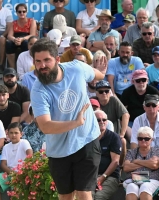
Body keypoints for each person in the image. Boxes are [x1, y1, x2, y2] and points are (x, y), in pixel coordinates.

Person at [30, 38, 106, 199]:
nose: (42, 65)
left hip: (86, 140)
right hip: (58, 150)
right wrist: (75, 123)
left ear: (57, 59)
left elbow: (97, 74)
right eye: (38, 61)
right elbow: (45, 126)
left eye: (46, 60)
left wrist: (100, 72)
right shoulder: (38, 89)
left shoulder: (77, 68)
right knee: (66, 196)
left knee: (84, 193)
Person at [0, 122, 33, 200]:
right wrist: (13, 174)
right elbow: (3, 164)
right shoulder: (6, 146)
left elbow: (30, 155)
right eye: (11, 133)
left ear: (21, 134)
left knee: (17, 191)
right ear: (8, 134)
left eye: (16, 133)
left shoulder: (24, 142)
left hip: (22, 174)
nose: (13, 135)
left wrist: (21, 173)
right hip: (9, 173)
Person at [123, 126, 159, 200]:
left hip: (153, 179)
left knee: (145, 186)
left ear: (151, 140)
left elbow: (154, 165)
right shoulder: (131, 152)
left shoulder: (157, 151)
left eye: (146, 139)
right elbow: (126, 167)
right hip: (133, 180)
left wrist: (136, 161)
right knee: (131, 187)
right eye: (140, 138)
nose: (143, 140)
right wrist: (148, 162)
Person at [94, 80, 128, 164]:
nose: (104, 93)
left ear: (110, 92)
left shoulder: (113, 100)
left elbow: (126, 115)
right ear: (96, 93)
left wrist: (122, 134)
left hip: (113, 135)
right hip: (96, 135)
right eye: (101, 91)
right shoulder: (93, 102)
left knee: (123, 141)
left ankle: (120, 166)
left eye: (107, 91)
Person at [131, 94, 159, 163]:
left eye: (154, 105)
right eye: (148, 105)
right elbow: (134, 141)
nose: (151, 107)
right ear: (144, 107)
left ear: (158, 107)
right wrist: (137, 157)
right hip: (143, 155)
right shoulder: (137, 120)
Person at [93, 110, 121, 200]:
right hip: (91, 176)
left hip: (110, 177)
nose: (102, 122)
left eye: (104, 120)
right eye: (98, 120)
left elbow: (115, 161)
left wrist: (102, 177)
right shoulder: (88, 138)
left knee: (98, 197)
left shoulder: (113, 137)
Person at [6, 3, 37, 69]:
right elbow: (9, 36)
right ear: (16, 13)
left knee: (26, 43)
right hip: (16, 38)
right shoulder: (13, 23)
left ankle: (26, 67)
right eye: (19, 12)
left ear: (26, 12)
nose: (22, 13)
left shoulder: (32, 21)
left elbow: (32, 34)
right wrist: (15, 39)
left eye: (24, 11)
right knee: (8, 44)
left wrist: (22, 39)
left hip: (27, 38)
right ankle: (13, 69)